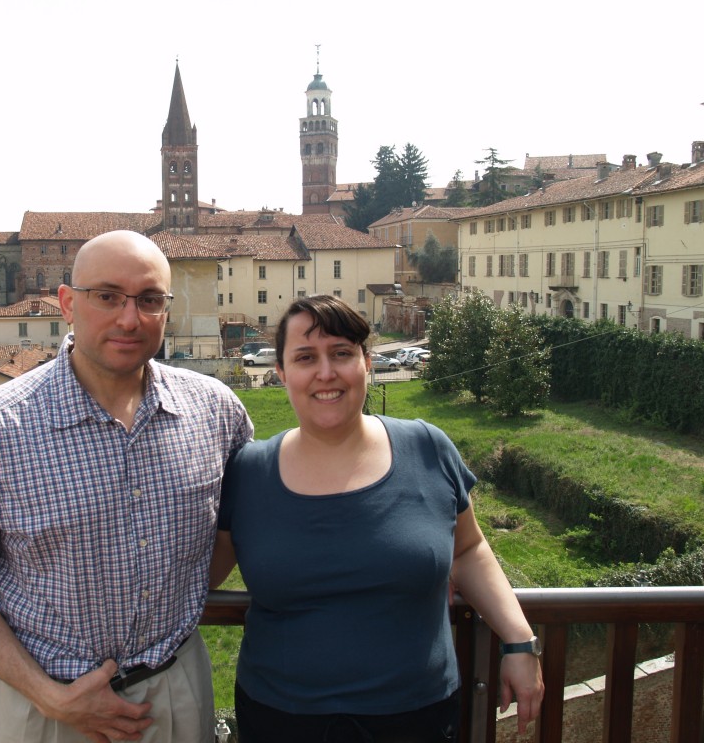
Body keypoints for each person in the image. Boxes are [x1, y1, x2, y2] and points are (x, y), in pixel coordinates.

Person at [0, 230, 253, 743]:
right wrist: (49, 695)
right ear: (68, 304)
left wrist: (176, 592)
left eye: (149, 300)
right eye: (108, 296)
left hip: (176, 691)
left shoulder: (214, 410)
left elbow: (234, 525)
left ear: (166, 310)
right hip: (45, 706)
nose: (129, 318)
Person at [210, 295, 544, 742]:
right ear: (282, 373)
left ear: (367, 362)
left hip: (418, 715)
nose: (326, 372)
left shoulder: (427, 448)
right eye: (306, 357)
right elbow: (196, 578)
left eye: (342, 353)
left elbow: (468, 549)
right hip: (281, 718)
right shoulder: (250, 472)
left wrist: (519, 641)